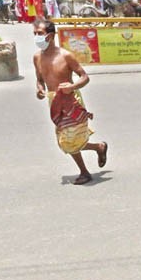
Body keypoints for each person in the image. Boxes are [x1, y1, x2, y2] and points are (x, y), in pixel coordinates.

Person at [32, 20, 109, 186]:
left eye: (40, 33)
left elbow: (84, 77)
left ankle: (84, 172)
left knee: (69, 139)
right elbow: (39, 80)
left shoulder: (65, 56)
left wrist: (72, 86)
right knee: (67, 139)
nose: (37, 37)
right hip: (54, 102)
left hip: (70, 100)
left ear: (50, 36)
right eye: (35, 34)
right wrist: (39, 90)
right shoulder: (37, 57)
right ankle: (98, 148)